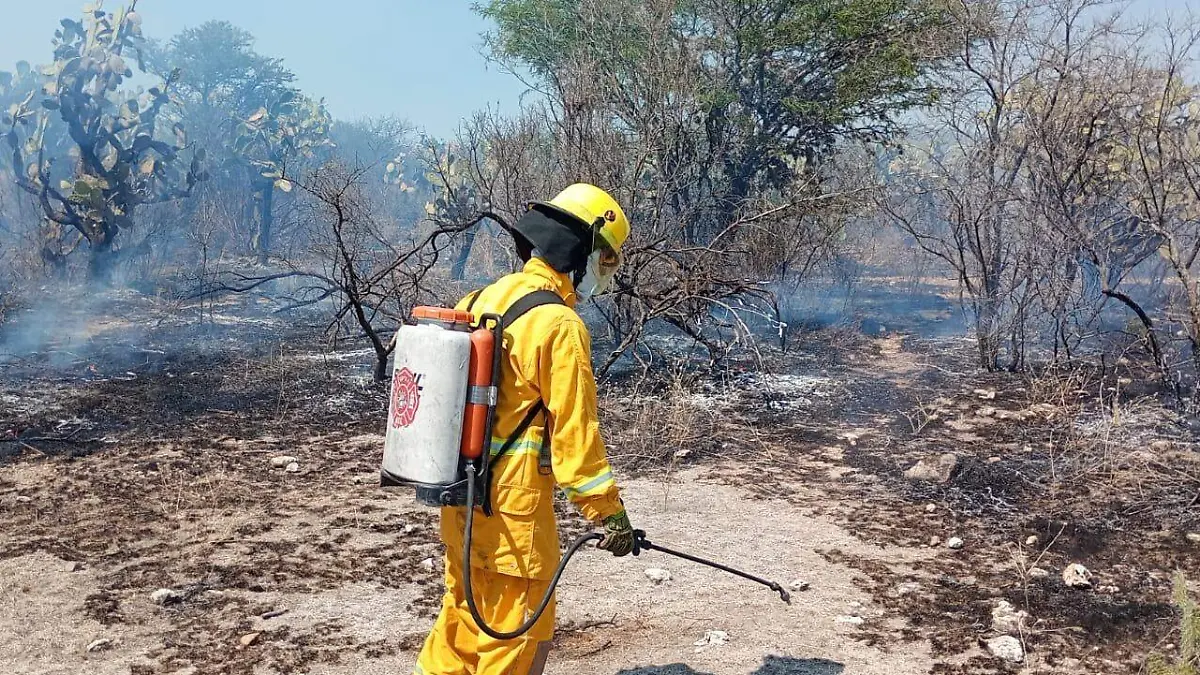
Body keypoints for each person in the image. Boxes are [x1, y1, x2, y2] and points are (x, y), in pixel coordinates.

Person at [413, 184, 636, 675]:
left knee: (458, 634)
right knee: (513, 649)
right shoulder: (558, 325)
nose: (605, 274)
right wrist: (609, 516)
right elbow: (576, 443)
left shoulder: (479, 298)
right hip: (517, 525)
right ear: (583, 250)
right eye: (607, 260)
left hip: (462, 507)